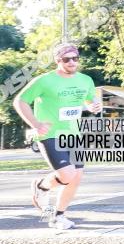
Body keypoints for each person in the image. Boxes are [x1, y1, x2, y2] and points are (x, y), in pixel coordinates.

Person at [13, 43, 101, 230]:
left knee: (76, 176)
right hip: (51, 134)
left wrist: (94, 104)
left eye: (74, 58)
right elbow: (20, 101)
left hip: (74, 134)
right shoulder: (44, 81)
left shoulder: (85, 80)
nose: (71, 62)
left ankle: (58, 216)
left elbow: (89, 98)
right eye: (66, 59)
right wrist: (36, 124)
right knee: (67, 174)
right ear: (57, 60)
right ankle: (42, 187)